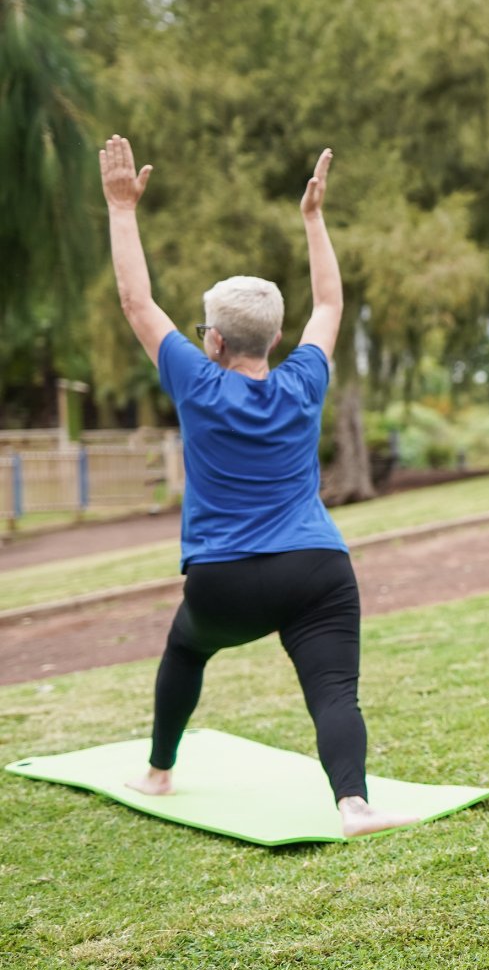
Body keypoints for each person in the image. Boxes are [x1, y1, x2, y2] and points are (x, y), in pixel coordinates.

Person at [100, 135, 415, 838]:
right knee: (334, 689)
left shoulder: (196, 380)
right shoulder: (304, 380)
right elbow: (330, 303)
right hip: (318, 570)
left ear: (213, 341)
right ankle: (354, 804)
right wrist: (313, 220)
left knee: (185, 649)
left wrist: (122, 208)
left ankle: (158, 772)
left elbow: (134, 299)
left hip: (224, 582)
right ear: (271, 338)